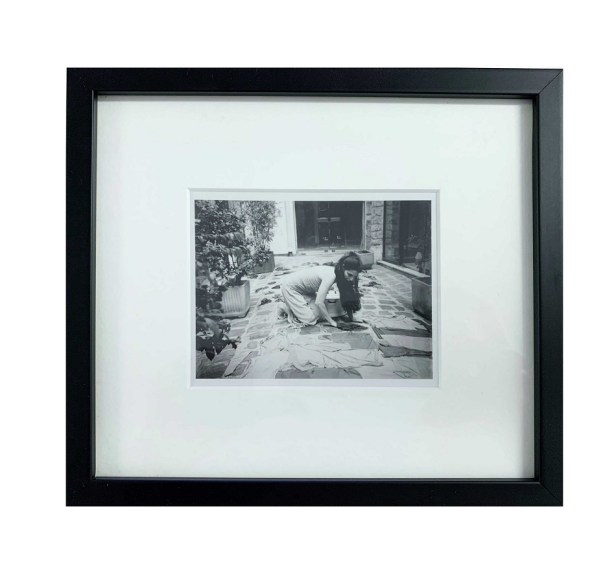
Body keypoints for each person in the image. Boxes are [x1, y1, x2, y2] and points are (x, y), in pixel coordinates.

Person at [278, 253, 362, 327]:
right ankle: (285, 307)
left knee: (320, 314)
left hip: (306, 291)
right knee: (310, 320)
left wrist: (351, 318)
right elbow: (319, 302)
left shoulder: (340, 273)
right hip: (290, 288)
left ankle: (296, 307)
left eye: (354, 276)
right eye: (349, 275)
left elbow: (346, 296)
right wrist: (331, 322)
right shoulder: (331, 275)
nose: (351, 279)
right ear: (343, 267)